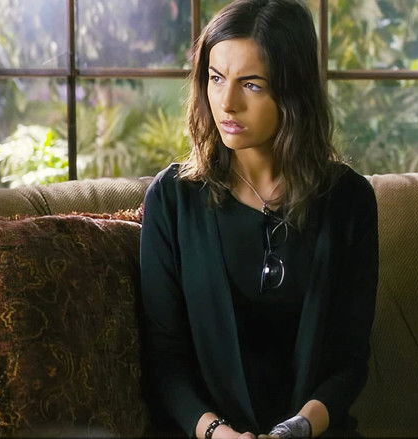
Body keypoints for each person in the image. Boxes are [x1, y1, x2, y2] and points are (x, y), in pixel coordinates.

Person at [139, 1, 378, 438]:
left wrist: (297, 429)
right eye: (215, 78)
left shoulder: (348, 200)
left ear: (293, 91)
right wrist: (217, 433)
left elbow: (350, 359)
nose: (226, 103)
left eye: (251, 84)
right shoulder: (173, 198)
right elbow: (164, 358)